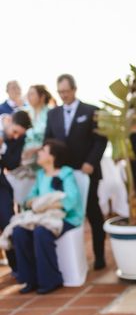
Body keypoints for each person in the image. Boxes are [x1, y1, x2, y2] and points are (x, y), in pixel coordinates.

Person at [44, 74, 107, 270]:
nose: (63, 95)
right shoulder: (52, 114)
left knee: (93, 213)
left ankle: (99, 256)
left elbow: (100, 140)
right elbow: (48, 141)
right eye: (60, 92)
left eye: (66, 91)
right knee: (64, 213)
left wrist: (90, 162)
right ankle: (68, 261)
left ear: (74, 89)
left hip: (87, 172)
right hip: (63, 176)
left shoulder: (91, 110)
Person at [13, 139, 83, 294]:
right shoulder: (40, 175)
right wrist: (37, 204)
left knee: (41, 232)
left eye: (43, 150)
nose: (39, 152)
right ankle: (30, 279)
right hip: (43, 218)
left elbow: (70, 200)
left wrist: (43, 205)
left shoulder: (66, 173)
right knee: (19, 231)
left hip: (66, 219)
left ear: (52, 156)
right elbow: (29, 200)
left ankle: (51, 280)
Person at [0, 111, 32, 273]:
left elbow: (10, 163)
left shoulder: (13, 138)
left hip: (2, 188)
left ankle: (19, 267)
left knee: (8, 224)